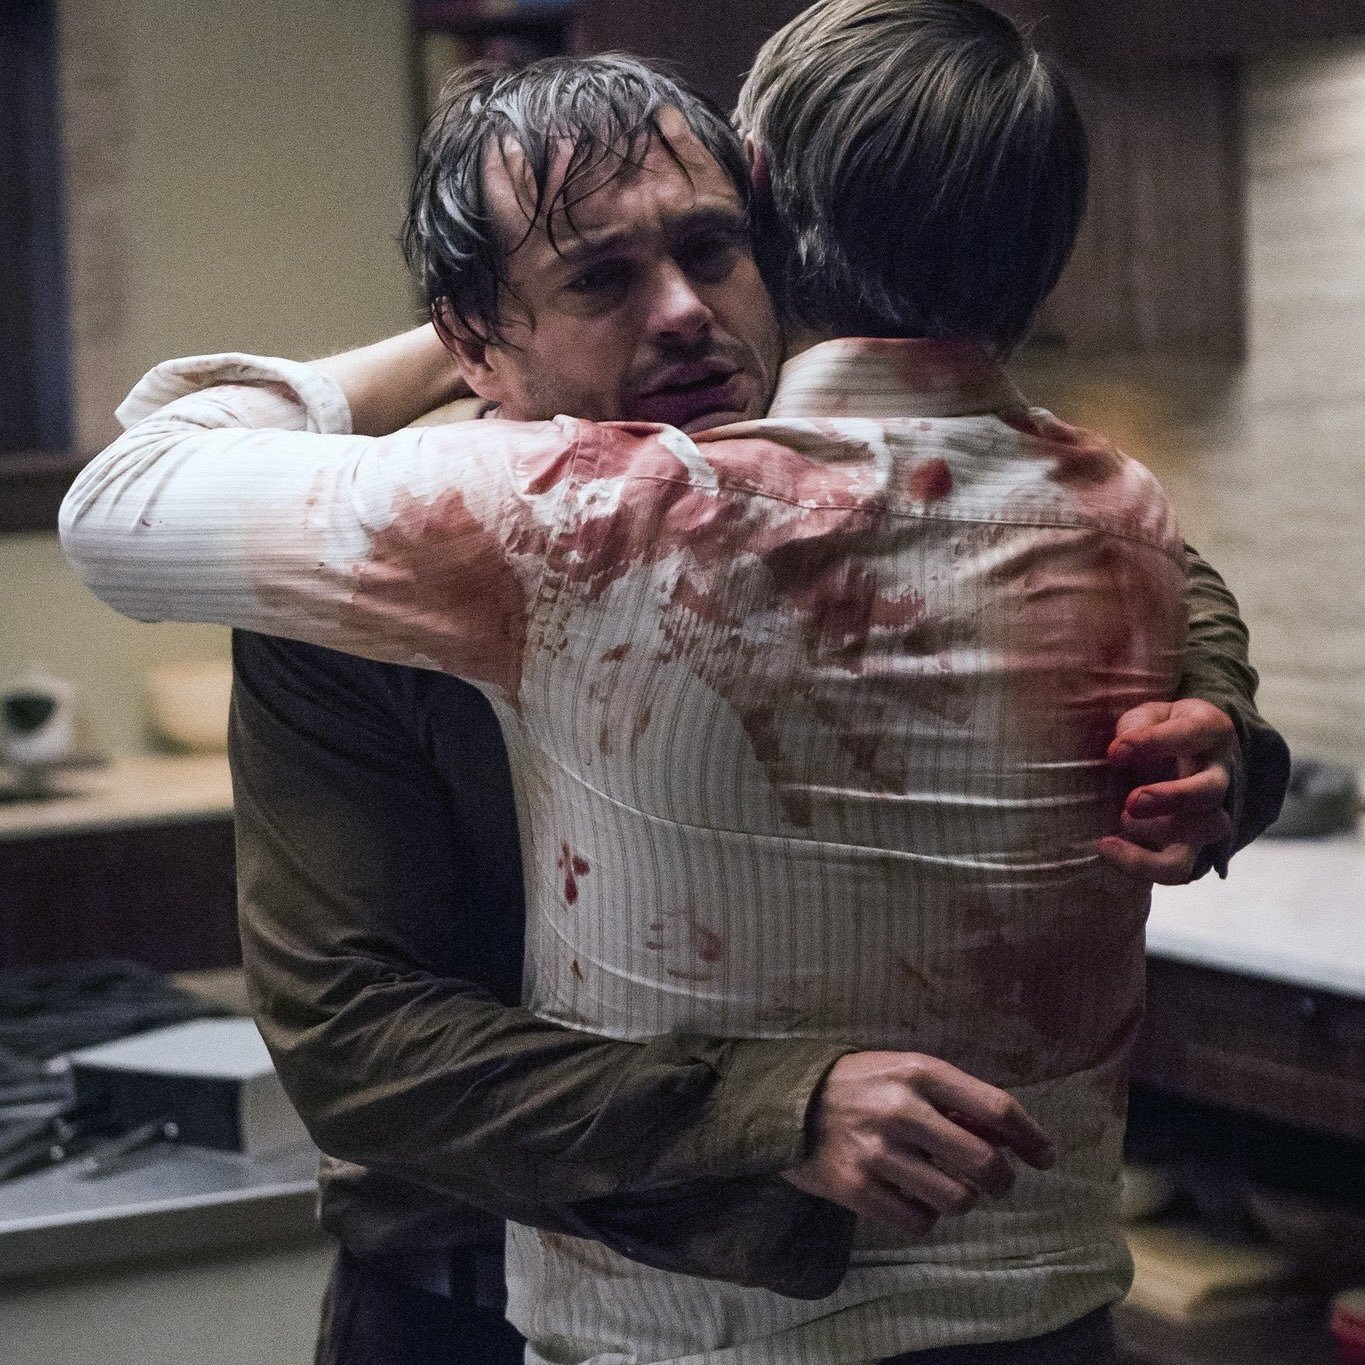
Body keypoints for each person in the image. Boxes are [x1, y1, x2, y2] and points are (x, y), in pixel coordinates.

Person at [61, 9, 1290, 1362]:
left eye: (714, 249)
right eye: (601, 279)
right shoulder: (360, 559)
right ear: (474, 339)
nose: (689, 312)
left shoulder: (843, 496)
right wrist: (768, 1109)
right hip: (466, 1285)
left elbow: (1158, 565)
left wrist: (1218, 733)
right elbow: (355, 1041)